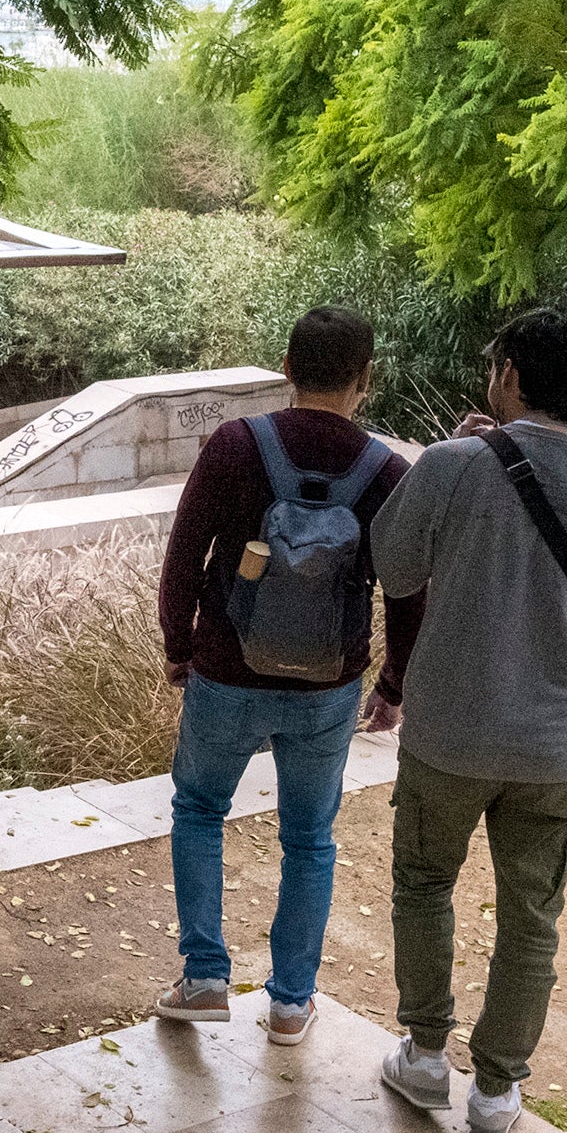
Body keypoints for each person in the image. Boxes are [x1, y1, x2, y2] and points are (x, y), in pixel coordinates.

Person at [368, 307, 567, 1133]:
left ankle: (425, 1056)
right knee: (530, 916)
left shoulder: (453, 463)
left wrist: (450, 471)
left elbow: (392, 565)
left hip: (449, 738)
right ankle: (497, 1097)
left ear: (506, 377)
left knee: (425, 884)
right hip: (555, 747)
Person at [153, 306, 422, 1047]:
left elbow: (184, 555)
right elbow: (406, 590)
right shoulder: (386, 472)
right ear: (366, 378)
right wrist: (392, 684)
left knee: (201, 809)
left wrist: (181, 644)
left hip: (225, 673)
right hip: (327, 688)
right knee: (309, 837)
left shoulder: (237, 444)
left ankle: (204, 977)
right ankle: (291, 1003)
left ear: (286, 364)